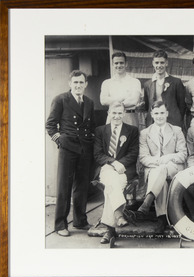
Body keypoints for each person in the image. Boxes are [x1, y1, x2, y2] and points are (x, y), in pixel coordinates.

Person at [46, 70, 95, 237]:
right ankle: (60, 225)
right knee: (63, 188)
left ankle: (80, 221)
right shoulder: (61, 99)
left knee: (82, 186)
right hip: (68, 149)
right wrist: (61, 141)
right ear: (70, 84)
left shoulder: (89, 102)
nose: (78, 86)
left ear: (85, 84)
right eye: (75, 83)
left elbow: (91, 126)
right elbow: (50, 125)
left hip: (85, 149)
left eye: (81, 83)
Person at [128, 101, 187, 230]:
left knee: (162, 169)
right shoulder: (145, 133)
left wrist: (167, 158)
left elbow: (183, 154)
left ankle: (146, 203)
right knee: (162, 182)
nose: (159, 116)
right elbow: (143, 158)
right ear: (152, 114)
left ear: (166, 114)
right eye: (156, 113)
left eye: (162, 113)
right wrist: (160, 162)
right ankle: (162, 219)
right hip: (155, 169)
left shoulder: (176, 130)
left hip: (174, 167)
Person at [93, 101, 139, 244]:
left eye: (120, 113)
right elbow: (98, 154)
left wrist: (120, 164)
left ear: (124, 114)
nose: (117, 116)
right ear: (109, 113)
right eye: (114, 113)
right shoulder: (101, 130)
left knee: (110, 187)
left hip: (124, 171)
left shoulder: (132, 130)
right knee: (111, 179)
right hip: (107, 168)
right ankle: (118, 215)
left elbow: (133, 153)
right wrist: (113, 162)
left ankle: (109, 230)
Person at [143, 50, 186, 129]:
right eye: (157, 63)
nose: (159, 65)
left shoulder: (176, 82)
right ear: (153, 63)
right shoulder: (147, 84)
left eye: (162, 62)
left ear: (166, 63)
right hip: (154, 122)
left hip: (172, 122)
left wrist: (177, 119)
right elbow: (147, 106)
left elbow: (182, 106)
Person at [100, 51, 142, 127]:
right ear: (112, 64)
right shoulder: (106, 83)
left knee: (131, 138)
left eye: (121, 63)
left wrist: (114, 102)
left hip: (129, 116)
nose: (119, 65)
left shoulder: (135, 81)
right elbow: (103, 100)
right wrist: (122, 98)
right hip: (112, 117)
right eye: (116, 63)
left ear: (126, 64)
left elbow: (134, 100)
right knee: (111, 138)